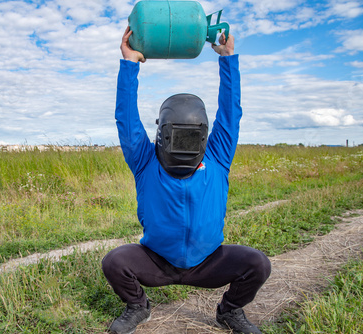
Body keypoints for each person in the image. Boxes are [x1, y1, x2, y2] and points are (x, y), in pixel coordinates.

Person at [101, 27, 271, 334]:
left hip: (208, 262)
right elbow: (125, 119)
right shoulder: (145, 159)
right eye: (178, 136)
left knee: (257, 263)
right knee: (115, 261)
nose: (185, 146)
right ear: (162, 134)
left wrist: (228, 59)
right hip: (157, 262)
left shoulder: (217, 156)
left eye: (192, 138)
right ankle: (138, 306)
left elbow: (231, 114)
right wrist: (129, 64)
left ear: (204, 135)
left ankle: (229, 312)